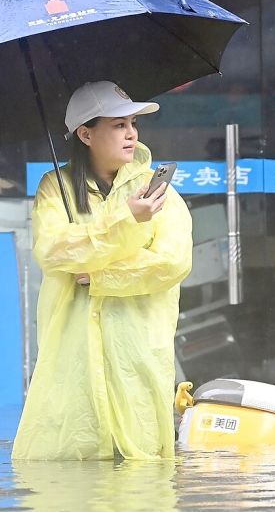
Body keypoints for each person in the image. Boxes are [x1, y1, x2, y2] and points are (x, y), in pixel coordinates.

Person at [11, 81, 193, 460]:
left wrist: (99, 277)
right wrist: (128, 221)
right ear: (86, 134)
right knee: (68, 467)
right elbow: (53, 250)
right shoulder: (54, 189)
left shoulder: (156, 192)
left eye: (132, 124)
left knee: (145, 474)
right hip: (71, 351)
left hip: (138, 348)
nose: (132, 134)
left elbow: (172, 262)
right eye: (118, 125)